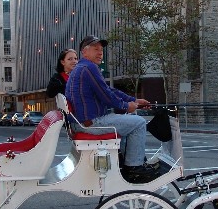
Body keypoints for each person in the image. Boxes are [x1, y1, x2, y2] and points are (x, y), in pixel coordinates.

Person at [65, 35, 155, 182]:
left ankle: (127, 162)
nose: (100, 53)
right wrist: (126, 106)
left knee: (129, 123)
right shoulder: (89, 68)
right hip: (90, 123)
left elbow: (108, 90)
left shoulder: (82, 68)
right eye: (96, 49)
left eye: (101, 50)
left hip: (82, 122)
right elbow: (106, 96)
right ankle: (134, 168)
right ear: (84, 52)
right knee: (138, 123)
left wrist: (133, 100)